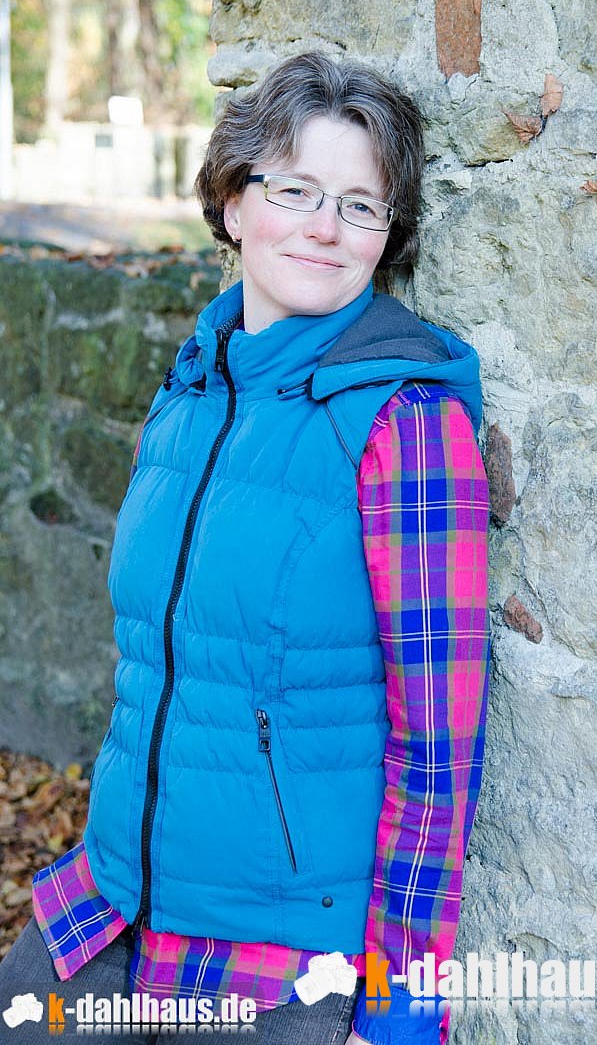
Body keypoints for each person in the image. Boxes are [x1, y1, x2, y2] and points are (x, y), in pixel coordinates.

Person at [0, 51, 491, 1044]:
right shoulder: (190, 392)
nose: (324, 226)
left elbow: (437, 752)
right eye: (294, 189)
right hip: (112, 903)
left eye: (360, 205)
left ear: (387, 236)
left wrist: (400, 1011)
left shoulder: (405, 425)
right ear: (232, 203)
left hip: (275, 964)